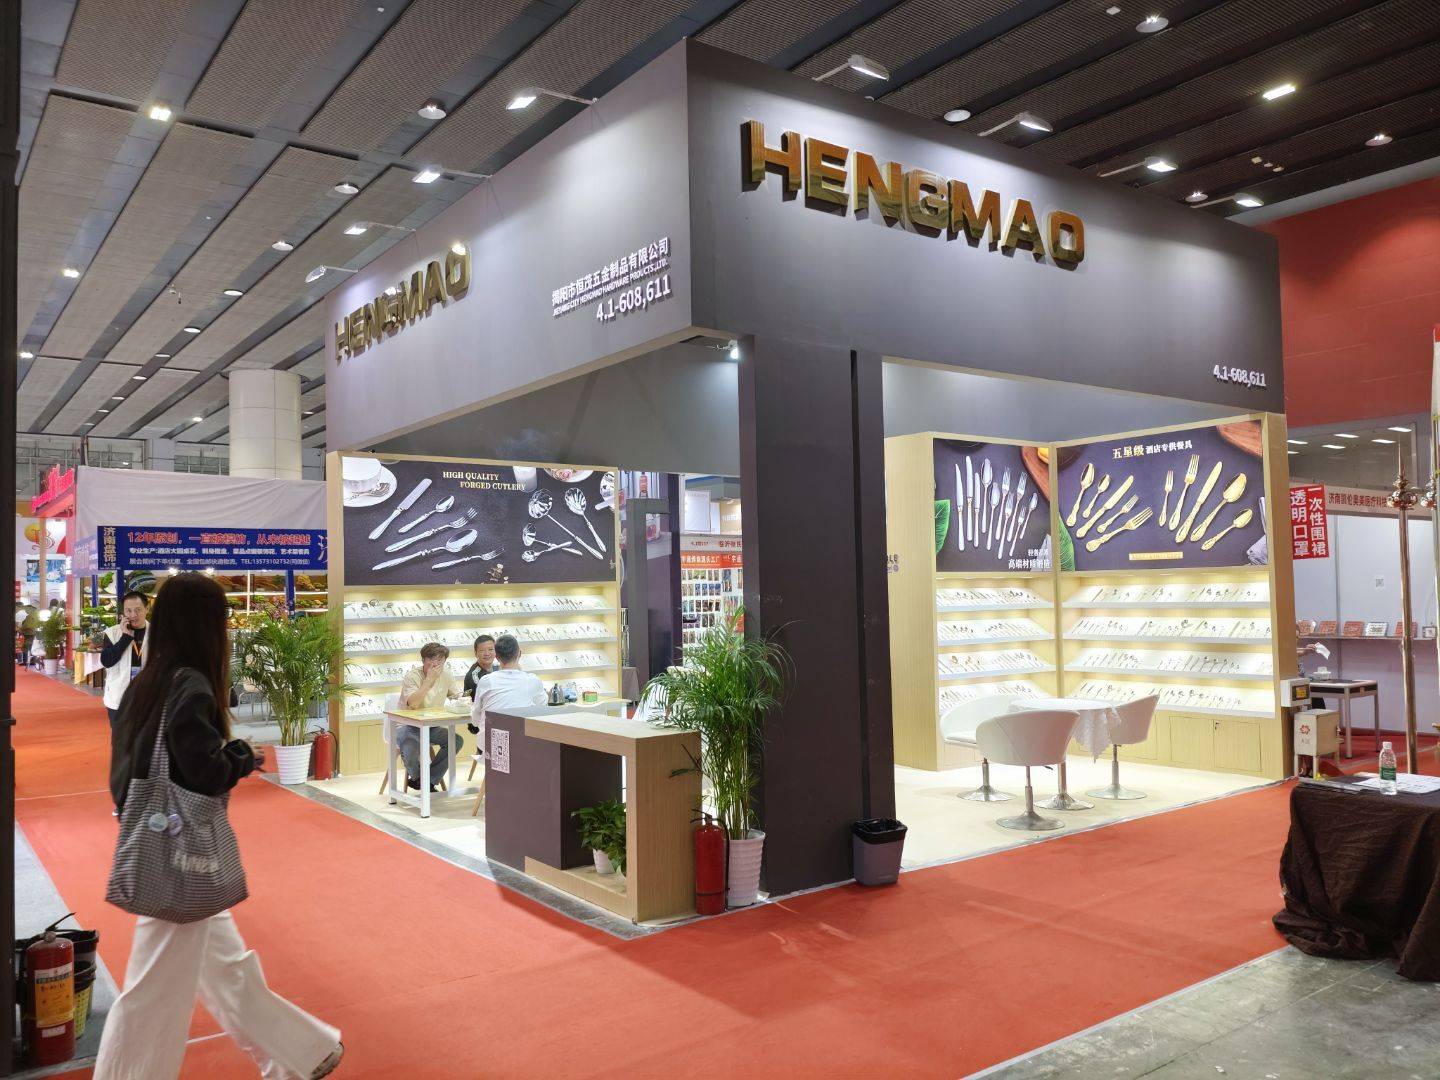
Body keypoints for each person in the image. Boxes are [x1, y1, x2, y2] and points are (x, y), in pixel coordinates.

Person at [97, 572, 343, 1080]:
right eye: (222, 618)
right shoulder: (190, 683)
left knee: (224, 966)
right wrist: (241, 756)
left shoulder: (151, 680)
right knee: (154, 989)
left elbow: (126, 763)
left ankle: (297, 1054)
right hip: (180, 850)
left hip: (159, 837)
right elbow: (204, 770)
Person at [398, 642, 465, 790]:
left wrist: (464, 699)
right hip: (407, 724)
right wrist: (429, 680)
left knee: (456, 741)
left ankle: (428, 780)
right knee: (410, 744)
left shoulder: (446, 674)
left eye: (440, 660)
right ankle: (416, 777)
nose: (435, 664)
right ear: (423, 660)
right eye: (431, 659)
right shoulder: (412, 676)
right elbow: (413, 704)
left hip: (431, 726)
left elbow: (457, 695)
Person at [471, 634, 546, 735]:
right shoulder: (532, 680)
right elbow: (541, 708)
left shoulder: (486, 681)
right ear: (519, 653)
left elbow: (475, 719)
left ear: (497, 656)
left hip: (489, 740)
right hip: (520, 739)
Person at [100, 591, 150, 728]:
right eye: (129, 610)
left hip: (147, 697)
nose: (133, 615)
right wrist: (125, 638)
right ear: (123, 612)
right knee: (120, 738)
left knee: (144, 738)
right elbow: (107, 661)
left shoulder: (157, 633)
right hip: (118, 697)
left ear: (147, 609)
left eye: (138, 610)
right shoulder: (112, 633)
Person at [463, 634, 497, 701]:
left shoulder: (498, 668)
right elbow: (487, 697)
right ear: (476, 653)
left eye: (490, 649)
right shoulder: (474, 675)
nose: (487, 654)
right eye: (482, 650)